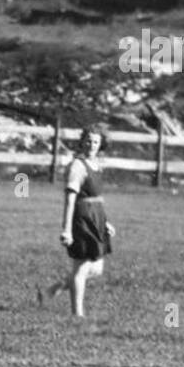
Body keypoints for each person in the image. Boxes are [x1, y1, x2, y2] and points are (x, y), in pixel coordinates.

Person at [39, 125, 115, 318]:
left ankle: (51, 291)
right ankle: (77, 314)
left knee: (96, 269)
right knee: (80, 268)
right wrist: (67, 229)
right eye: (88, 141)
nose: (92, 145)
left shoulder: (97, 165)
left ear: (101, 144)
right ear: (82, 142)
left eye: (96, 141)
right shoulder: (78, 166)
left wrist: (105, 223)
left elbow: (97, 198)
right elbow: (70, 199)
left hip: (96, 217)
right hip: (82, 218)